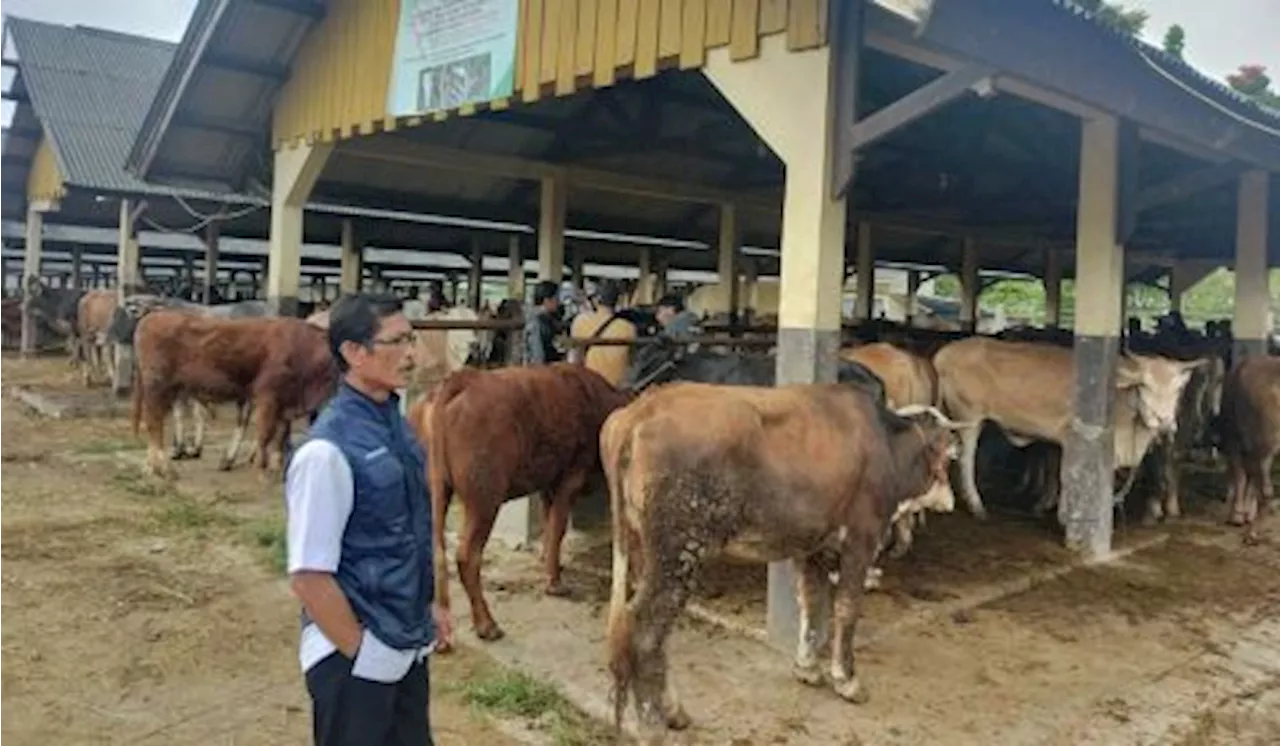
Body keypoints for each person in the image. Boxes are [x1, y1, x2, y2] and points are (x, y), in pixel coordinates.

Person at [284, 292, 452, 746]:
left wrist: (428, 606)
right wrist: (361, 651)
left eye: (411, 339)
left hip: (405, 644)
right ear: (353, 353)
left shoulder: (396, 427)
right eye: (397, 342)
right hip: (358, 656)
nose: (412, 354)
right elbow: (309, 575)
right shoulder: (327, 451)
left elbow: (412, 531)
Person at [568, 279, 637, 387]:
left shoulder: (580, 321)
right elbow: (631, 362)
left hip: (587, 387)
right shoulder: (629, 328)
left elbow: (574, 356)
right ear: (617, 301)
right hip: (614, 389)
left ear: (596, 300)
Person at [524, 280, 564, 364]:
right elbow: (537, 353)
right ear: (547, 300)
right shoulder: (536, 321)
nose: (558, 302)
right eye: (556, 298)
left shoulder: (546, 318)